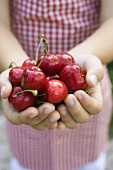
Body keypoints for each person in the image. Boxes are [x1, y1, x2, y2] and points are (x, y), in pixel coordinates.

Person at [0, 0, 113, 170]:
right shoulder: (25, 84)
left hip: (85, 90)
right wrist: (21, 69)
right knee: (28, 163)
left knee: (89, 163)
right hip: (29, 103)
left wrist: (70, 63)